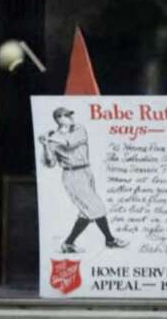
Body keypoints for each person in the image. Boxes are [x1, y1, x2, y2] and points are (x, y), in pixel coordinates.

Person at [38, 106, 128, 253]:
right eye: (66, 115)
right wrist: (46, 146)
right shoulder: (52, 139)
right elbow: (50, 163)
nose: (70, 117)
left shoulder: (78, 129)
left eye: (70, 114)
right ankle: (110, 240)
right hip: (72, 175)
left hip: (86, 171)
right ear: (59, 119)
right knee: (96, 207)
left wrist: (49, 138)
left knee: (87, 212)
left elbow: (71, 142)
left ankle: (68, 243)